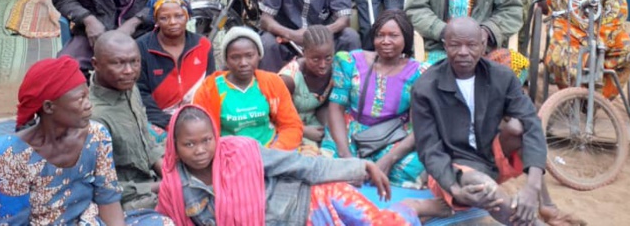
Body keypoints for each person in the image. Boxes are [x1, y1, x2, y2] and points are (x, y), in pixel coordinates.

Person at [411, 18, 584, 226]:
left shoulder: (501, 76)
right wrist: (454, 188)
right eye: (455, 45)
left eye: (471, 45)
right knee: (483, 186)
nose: (463, 52)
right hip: (453, 167)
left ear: (483, 46)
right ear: (445, 46)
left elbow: (531, 122)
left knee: (519, 127)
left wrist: (532, 187)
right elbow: (429, 149)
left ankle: (546, 206)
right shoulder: (425, 87)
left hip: (489, 156)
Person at [156, 105, 443, 225]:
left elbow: (300, 165)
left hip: (309, 202)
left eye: (207, 140)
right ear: (175, 147)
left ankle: (410, 208)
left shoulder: (241, 152)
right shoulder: (174, 189)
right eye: (189, 144)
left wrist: (361, 168)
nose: (200, 150)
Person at [0, 56, 172, 226]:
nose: (89, 104)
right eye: (80, 99)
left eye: (87, 95)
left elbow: (107, 199)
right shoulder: (11, 158)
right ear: (49, 107)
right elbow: (12, 222)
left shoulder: (96, 135)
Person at [321, 10, 426, 189]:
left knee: (416, 168)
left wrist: (390, 159)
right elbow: (336, 108)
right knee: (325, 164)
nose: (385, 41)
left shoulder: (419, 73)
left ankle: (374, 171)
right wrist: (346, 157)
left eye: (393, 35)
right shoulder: (350, 61)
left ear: (406, 38)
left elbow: (419, 128)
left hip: (392, 137)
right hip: (351, 133)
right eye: (380, 35)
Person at [193, 26, 304, 151]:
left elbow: (291, 125)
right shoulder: (210, 89)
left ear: (259, 55)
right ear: (226, 60)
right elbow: (202, 136)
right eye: (235, 57)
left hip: (271, 151)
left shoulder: (272, 82)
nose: (243, 63)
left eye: (249, 55)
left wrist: (277, 149)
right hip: (230, 155)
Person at [89, 31, 165, 211]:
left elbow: (147, 141)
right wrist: (163, 187)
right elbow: (101, 188)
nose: (129, 71)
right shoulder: (94, 117)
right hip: (125, 200)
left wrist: (170, 176)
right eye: (118, 63)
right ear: (96, 64)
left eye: (135, 61)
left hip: (151, 179)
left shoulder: (129, 87)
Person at [137, 0, 215, 131]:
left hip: (199, 120)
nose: (172, 22)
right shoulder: (141, 47)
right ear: (155, 20)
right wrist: (168, 124)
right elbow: (140, 94)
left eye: (178, 16)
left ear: (188, 16)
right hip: (157, 123)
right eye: (164, 18)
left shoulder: (203, 46)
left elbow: (211, 88)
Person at [278, 25, 337, 150]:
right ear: (304, 53)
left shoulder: (334, 71)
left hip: (313, 122)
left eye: (328, 58)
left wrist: (328, 127)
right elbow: (273, 115)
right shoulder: (289, 79)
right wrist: (303, 130)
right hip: (287, 127)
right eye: (315, 59)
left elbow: (323, 105)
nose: (323, 65)